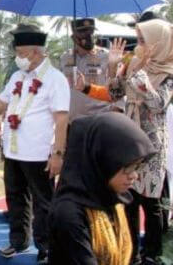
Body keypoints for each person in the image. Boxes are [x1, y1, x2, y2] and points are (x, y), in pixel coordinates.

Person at [75, 18, 173, 264]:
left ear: (158, 43)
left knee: (151, 202)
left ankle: (152, 253)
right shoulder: (132, 64)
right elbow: (115, 93)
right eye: (138, 41)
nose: (140, 46)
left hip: (151, 143)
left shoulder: (168, 72)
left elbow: (157, 103)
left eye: (144, 41)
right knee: (128, 198)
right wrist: (112, 67)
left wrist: (140, 71)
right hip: (129, 138)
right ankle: (129, 253)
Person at [0, 24, 69, 264]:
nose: (18, 58)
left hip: (38, 153)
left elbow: (62, 118)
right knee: (15, 198)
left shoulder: (55, 79)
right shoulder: (17, 77)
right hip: (13, 151)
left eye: (21, 53)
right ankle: (18, 241)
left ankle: (47, 248)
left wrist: (57, 153)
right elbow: (1, 106)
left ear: (36, 53)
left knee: (44, 203)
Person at [49, 112, 155, 265]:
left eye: (137, 167)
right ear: (102, 160)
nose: (134, 176)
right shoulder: (68, 213)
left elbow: (134, 259)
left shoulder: (120, 200)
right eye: (128, 167)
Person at [60, 18, 124, 122]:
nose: (89, 36)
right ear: (74, 36)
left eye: (91, 32)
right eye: (83, 32)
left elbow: (120, 88)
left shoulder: (107, 56)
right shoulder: (65, 57)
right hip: (72, 123)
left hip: (99, 121)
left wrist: (115, 113)